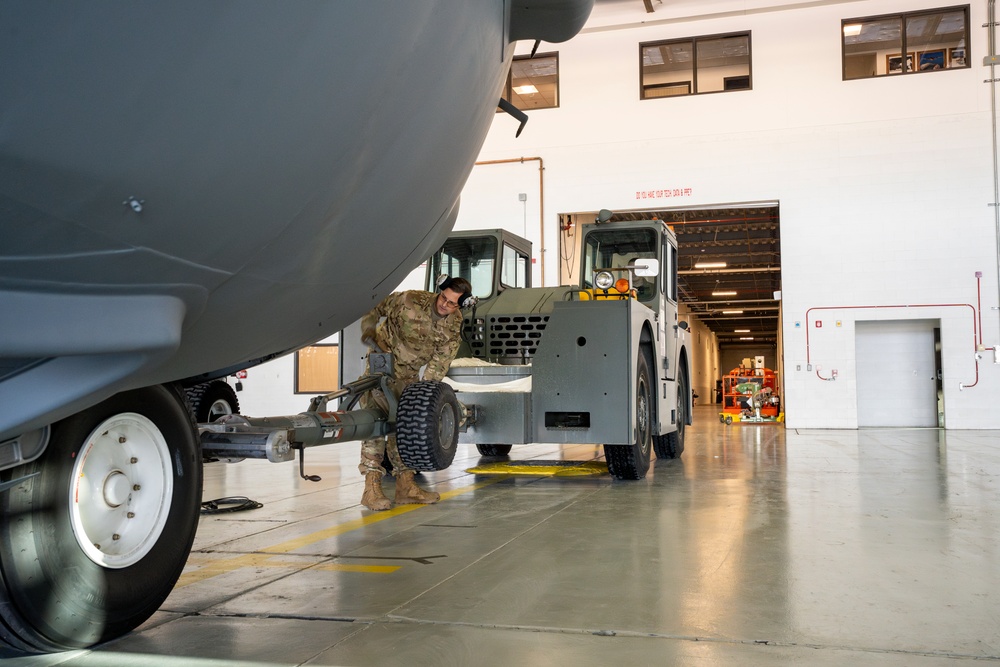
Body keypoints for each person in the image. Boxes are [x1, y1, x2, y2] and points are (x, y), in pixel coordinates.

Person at [356, 276, 473, 511]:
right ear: (439, 292)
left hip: (409, 378)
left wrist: (424, 399)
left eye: (452, 303)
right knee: (377, 421)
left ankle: (406, 487)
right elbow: (375, 305)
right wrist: (369, 328)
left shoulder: (453, 325)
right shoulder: (410, 300)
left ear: (460, 305)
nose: (444, 305)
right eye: (443, 298)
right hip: (382, 367)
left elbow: (439, 363)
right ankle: (371, 488)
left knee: (408, 425)